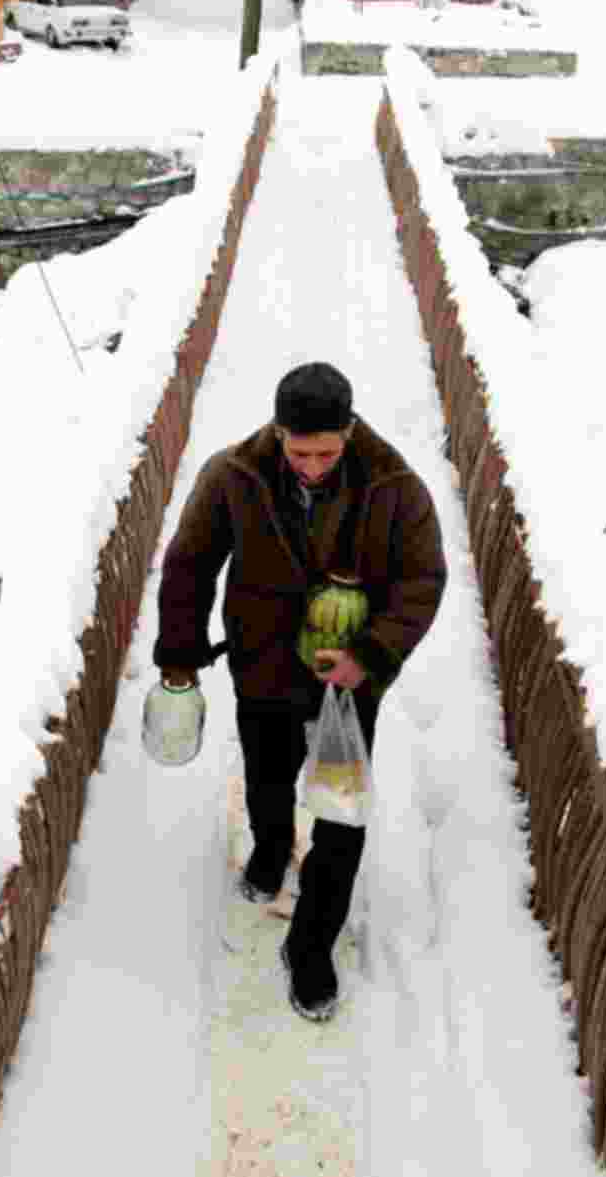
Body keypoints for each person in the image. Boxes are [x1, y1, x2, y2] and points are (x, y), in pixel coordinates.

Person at [153, 362, 447, 1022]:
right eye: (299, 450)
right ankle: (268, 848)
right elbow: (189, 562)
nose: (312, 466)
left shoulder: (394, 486)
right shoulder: (234, 475)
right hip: (262, 668)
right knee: (267, 775)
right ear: (278, 432)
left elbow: (422, 578)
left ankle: (311, 944)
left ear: (348, 431)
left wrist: (368, 655)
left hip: (347, 686)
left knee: (342, 815)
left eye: (326, 452)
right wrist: (180, 650)